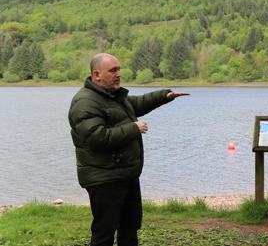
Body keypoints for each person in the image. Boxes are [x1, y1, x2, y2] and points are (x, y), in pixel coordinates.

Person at [68, 53, 189, 246]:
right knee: (104, 233)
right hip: (104, 178)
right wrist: (133, 128)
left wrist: (164, 96)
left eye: (119, 69)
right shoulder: (85, 102)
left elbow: (136, 104)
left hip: (125, 174)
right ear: (97, 75)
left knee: (130, 227)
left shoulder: (112, 96)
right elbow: (96, 138)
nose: (118, 74)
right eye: (113, 70)